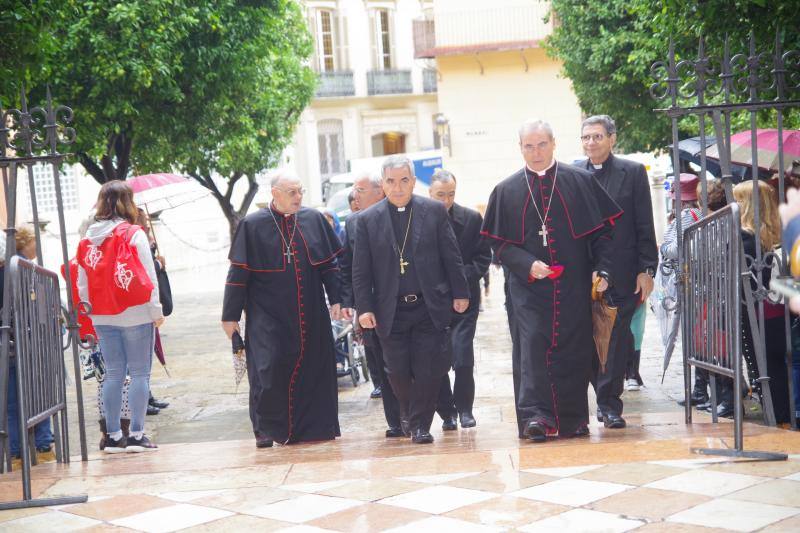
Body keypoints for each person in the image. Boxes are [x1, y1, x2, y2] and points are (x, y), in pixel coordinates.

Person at [481, 119, 620, 442]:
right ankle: (536, 417)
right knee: (531, 349)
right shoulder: (506, 190)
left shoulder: (580, 181)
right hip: (527, 289)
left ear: (554, 144)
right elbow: (498, 243)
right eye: (529, 146)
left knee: (573, 348)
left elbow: (603, 234)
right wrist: (527, 264)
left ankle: (572, 420)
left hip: (572, 286)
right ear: (520, 149)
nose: (536, 152)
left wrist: (603, 269)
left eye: (542, 144)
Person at [352, 155, 469, 444]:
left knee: (428, 370)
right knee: (397, 371)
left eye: (404, 180)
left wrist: (460, 292)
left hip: (429, 305)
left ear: (414, 182)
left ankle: (419, 426)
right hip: (390, 309)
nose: (398, 187)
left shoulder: (433, 211)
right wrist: (364, 308)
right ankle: (409, 411)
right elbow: (361, 270)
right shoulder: (367, 220)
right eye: (391, 181)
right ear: (383, 184)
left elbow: (451, 256)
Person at [221, 174, 343, 447]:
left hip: (310, 310)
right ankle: (265, 429)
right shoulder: (252, 225)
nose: (298, 197)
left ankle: (313, 427)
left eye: (300, 191)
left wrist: (337, 299)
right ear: (275, 193)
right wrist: (230, 316)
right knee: (268, 368)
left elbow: (329, 266)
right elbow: (238, 273)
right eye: (291, 192)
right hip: (268, 314)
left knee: (314, 367)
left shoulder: (313, 220)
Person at [579, 115, 658, 426]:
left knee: (616, 340)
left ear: (612, 138)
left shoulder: (633, 172)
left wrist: (646, 269)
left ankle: (610, 404)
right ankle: (600, 396)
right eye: (585, 137)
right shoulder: (573, 174)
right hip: (586, 275)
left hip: (625, 272)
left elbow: (644, 223)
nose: (591, 143)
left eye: (597, 136)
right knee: (589, 340)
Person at [77, 181, 163, 453]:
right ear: (128, 201)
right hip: (135, 312)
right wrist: (156, 310)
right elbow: (149, 278)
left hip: (102, 314)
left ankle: (113, 436)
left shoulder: (87, 238)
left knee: (113, 374)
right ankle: (136, 434)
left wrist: (91, 310)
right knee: (139, 373)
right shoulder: (133, 233)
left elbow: (82, 283)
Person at [339, 172, 403, 435]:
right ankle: (395, 422)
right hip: (372, 306)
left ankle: (416, 413)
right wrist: (348, 302)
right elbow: (347, 266)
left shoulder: (401, 213)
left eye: (361, 190)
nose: (355, 196)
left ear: (380, 191)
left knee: (406, 364)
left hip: (403, 302)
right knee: (380, 360)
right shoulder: (353, 223)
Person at [429, 169, 491, 430]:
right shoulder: (420, 219)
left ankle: (465, 408)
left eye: (451, 194)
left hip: (465, 299)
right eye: (440, 195)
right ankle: (447, 412)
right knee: (438, 357)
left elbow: (483, 258)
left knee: (463, 355)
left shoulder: (471, 218)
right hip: (433, 300)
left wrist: (460, 279)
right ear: (430, 193)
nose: (446, 200)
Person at [734, 180, 790, 424]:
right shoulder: (781, 232)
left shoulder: (744, 238)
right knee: (781, 366)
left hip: (759, 313)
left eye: (738, 201)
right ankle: (785, 413)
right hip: (782, 310)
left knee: (765, 367)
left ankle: (777, 415)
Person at [6, 227, 55, 459]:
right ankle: (43, 443)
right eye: (36, 241)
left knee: (11, 400)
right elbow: (43, 308)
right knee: (37, 394)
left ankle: (16, 451)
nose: (38, 246)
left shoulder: (15, 267)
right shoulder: (28, 269)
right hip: (27, 338)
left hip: (9, 340)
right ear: (24, 242)